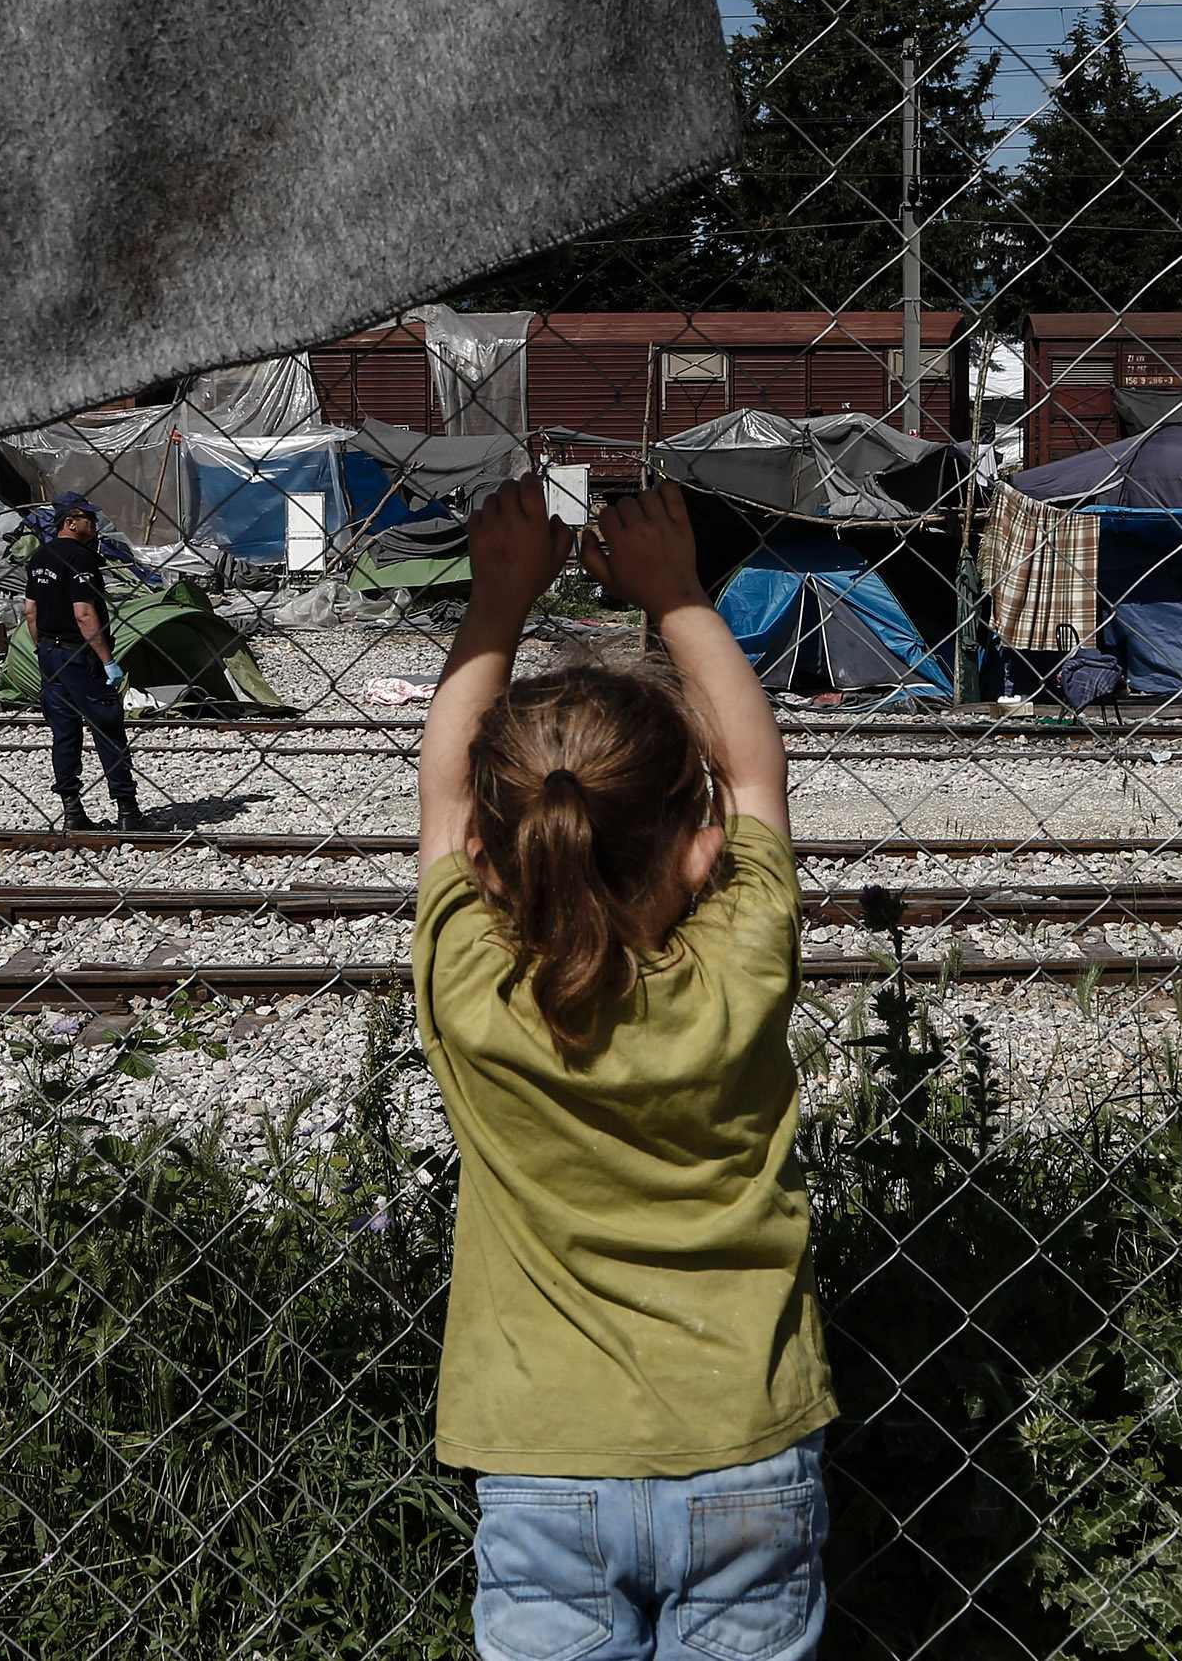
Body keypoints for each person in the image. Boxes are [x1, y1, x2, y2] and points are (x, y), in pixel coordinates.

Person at [413, 480, 834, 1661]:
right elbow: (759, 779)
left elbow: (444, 801)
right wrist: (678, 593)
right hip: (743, 1448)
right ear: (700, 850)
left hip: (545, 1461)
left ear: (492, 863)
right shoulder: (737, 976)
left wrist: (498, 592)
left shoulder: (475, 994)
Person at [23, 491, 149, 833]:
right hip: (80, 654)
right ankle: (127, 809)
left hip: (50, 654)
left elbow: (30, 612)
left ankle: (72, 809)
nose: (94, 524)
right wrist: (107, 660)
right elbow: (83, 613)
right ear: (70, 522)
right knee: (108, 727)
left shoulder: (39, 557)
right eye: (88, 519)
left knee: (64, 733)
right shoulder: (81, 559)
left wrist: (43, 651)